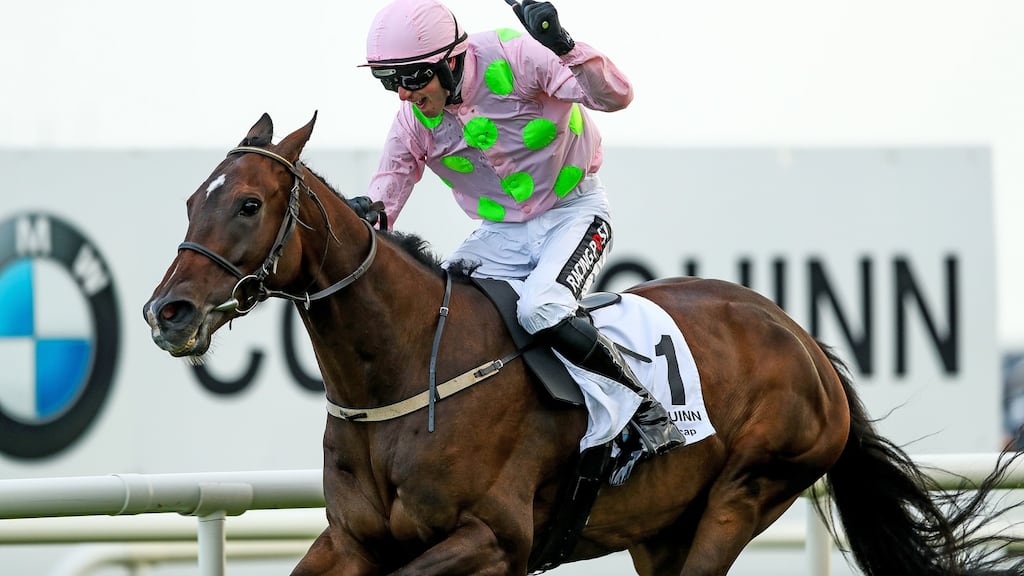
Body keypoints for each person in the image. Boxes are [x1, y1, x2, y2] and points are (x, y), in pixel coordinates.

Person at [353, 0, 684, 465]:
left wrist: (565, 49)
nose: (404, 95)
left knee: (542, 306)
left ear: (450, 61)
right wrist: (363, 217)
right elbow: (386, 193)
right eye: (389, 82)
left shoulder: (517, 56)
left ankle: (644, 411)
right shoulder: (413, 120)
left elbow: (617, 96)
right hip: (502, 232)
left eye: (411, 78)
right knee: (446, 317)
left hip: (576, 211)